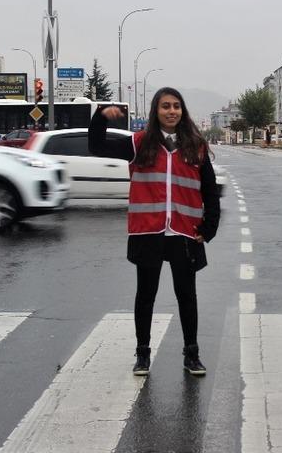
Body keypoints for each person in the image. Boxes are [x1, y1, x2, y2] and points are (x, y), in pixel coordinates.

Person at [88, 87, 221, 376]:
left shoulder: (195, 146)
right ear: (156, 111)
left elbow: (209, 190)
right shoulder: (139, 143)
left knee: (187, 295)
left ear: (182, 111)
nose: (171, 111)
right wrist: (100, 118)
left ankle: (192, 354)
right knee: (145, 295)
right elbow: (97, 146)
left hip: (185, 232)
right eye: (165, 106)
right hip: (148, 231)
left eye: (176, 106)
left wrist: (209, 228)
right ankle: (143, 354)